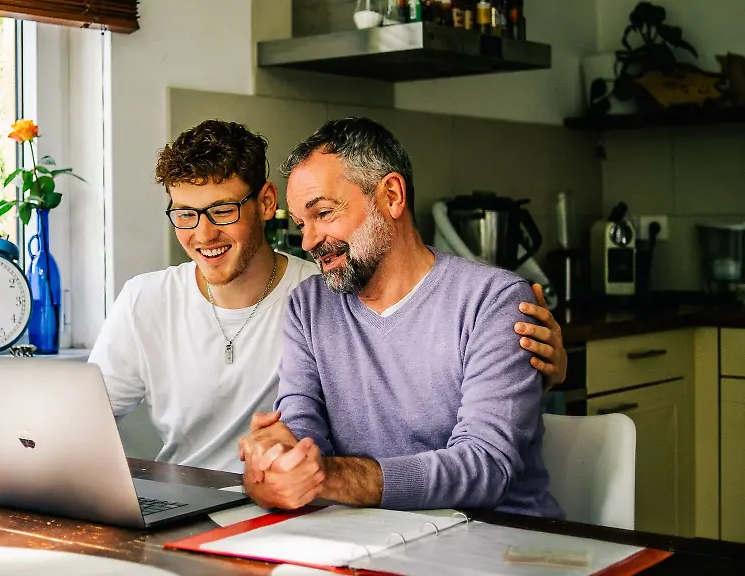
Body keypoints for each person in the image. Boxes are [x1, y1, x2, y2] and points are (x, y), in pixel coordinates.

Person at [0, 119, 569, 475]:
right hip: (223, 509)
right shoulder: (159, 301)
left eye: (219, 211)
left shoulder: (324, 288)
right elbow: (78, 417)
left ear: (263, 205)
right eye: (183, 216)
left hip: (318, 512)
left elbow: (455, 411)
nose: (201, 235)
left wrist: (535, 371)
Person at [239, 117, 564, 519]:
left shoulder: (493, 301)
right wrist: (276, 464)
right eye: (301, 224)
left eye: (323, 213)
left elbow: (486, 466)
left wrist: (327, 477)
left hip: (499, 544)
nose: (308, 242)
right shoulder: (309, 306)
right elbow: (304, 440)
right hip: (368, 537)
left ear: (391, 195)